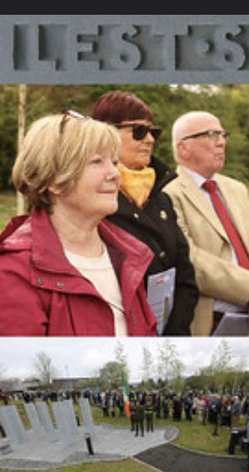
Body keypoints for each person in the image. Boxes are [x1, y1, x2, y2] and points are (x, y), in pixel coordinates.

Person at [0, 112, 157, 335]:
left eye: (114, 162)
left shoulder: (129, 255)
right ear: (54, 180)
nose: (114, 173)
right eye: (96, 162)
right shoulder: (13, 272)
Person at [163, 109, 249, 335]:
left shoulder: (236, 189)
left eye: (222, 135)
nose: (221, 143)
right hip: (210, 321)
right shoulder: (169, 194)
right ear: (183, 147)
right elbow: (190, 258)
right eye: (210, 135)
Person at [89, 90, 198, 335]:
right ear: (104, 134)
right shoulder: (90, 202)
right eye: (138, 131)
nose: (149, 139)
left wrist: (173, 334)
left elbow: (186, 277)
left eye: (153, 132)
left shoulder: (161, 198)